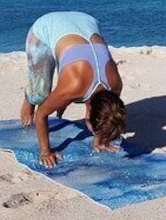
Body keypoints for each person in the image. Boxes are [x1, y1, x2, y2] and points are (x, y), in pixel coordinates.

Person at [19, 11, 126, 167]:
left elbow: (101, 107)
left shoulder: (115, 86)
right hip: (46, 26)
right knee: (40, 94)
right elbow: (41, 114)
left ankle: (55, 100)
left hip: (87, 21)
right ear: (87, 115)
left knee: (64, 99)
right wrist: (45, 152)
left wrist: (101, 138)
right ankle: (29, 99)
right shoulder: (73, 86)